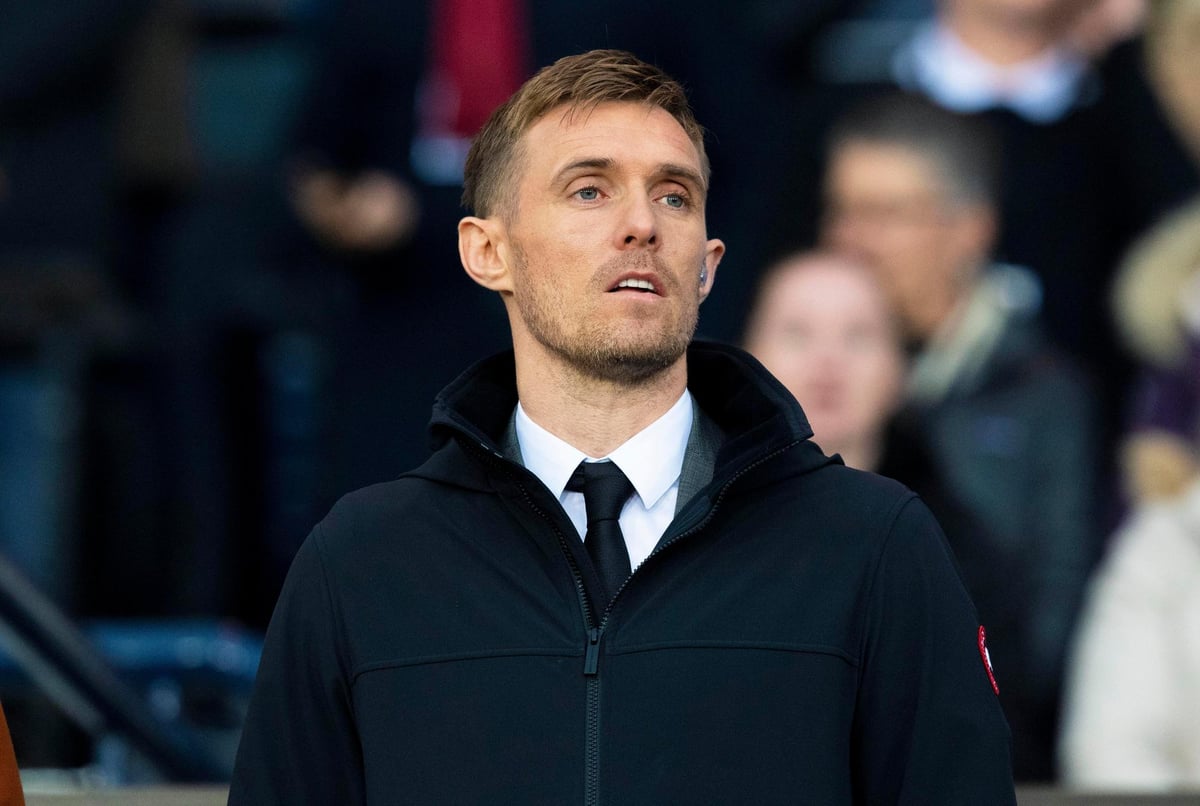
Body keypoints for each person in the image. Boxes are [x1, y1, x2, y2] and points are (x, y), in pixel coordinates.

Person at [229, 49, 1015, 804]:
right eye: (588, 191)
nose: (641, 223)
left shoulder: (872, 548)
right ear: (487, 251)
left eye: (673, 195)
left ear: (706, 266)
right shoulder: (361, 566)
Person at [821, 91, 1097, 781]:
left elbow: (1052, 630)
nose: (850, 240)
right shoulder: (794, 381)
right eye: (842, 210)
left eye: (885, 213)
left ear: (970, 228)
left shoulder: (1045, 397)